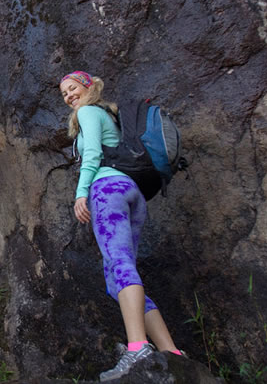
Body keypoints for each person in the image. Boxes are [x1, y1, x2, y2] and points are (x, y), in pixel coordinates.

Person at [59, 71, 183, 381]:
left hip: (107, 191)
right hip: (132, 193)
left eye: (72, 89)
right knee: (118, 278)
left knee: (120, 266)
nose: (69, 96)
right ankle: (171, 352)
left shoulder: (88, 112)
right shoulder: (109, 117)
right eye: (64, 94)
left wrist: (81, 193)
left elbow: (93, 154)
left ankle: (138, 347)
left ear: (88, 87)